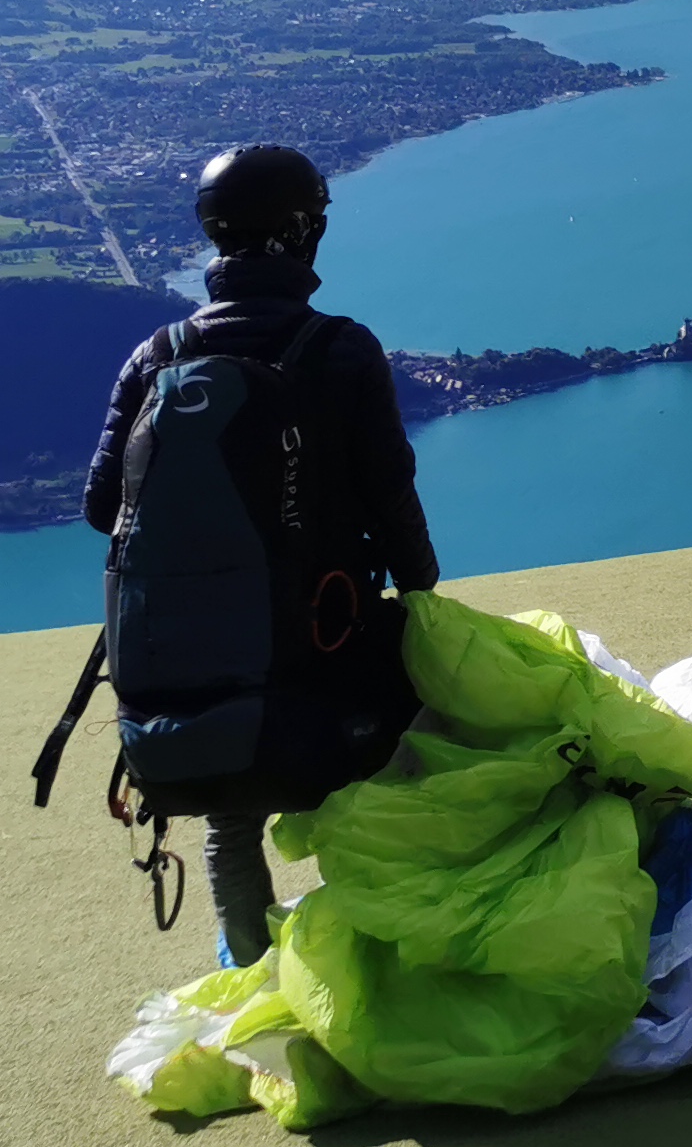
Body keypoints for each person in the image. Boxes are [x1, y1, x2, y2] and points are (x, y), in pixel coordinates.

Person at [84, 145, 438, 972]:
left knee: (229, 819)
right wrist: (420, 594)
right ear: (303, 231)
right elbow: (391, 494)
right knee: (391, 781)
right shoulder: (341, 349)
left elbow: (103, 507)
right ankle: (382, 969)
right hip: (324, 640)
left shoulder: (157, 355)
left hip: (193, 660)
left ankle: (250, 973)